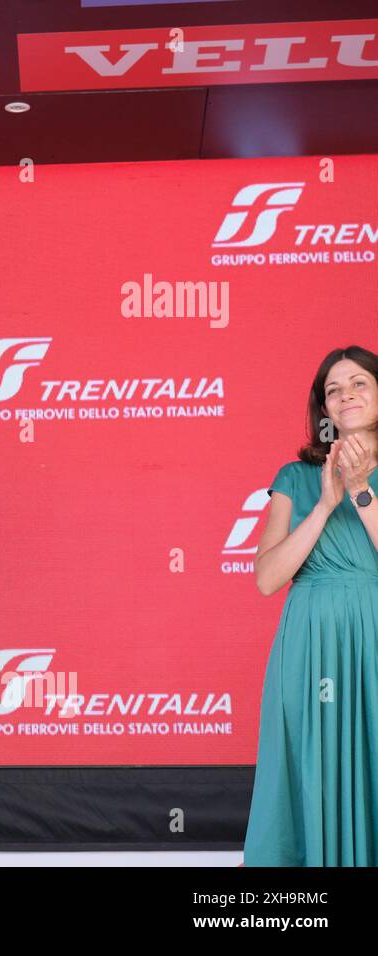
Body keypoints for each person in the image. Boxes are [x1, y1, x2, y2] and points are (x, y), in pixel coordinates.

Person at [246, 345, 378, 866]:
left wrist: (362, 490)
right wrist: (326, 503)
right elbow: (267, 578)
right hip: (312, 646)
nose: (345, 395)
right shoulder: (295, 478)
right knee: (311, 762)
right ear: (323, 410)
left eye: (359, 383)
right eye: (333, 389)